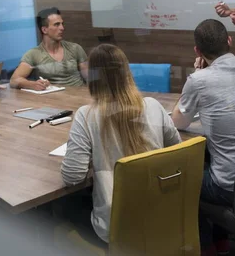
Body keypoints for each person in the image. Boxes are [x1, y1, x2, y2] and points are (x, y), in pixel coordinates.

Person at [170, 19, 235, 256]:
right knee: (209, 159)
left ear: (197, 51)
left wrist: (197, 73)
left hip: (230, 186)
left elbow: (178, 122)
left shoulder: (199, 80)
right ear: (229, 40)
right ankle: (221, 241)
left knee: (181, 182)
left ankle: (207, 247)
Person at [61, 44, 181, 243]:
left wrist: (95, 160)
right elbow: (176, 148)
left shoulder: (87, 115)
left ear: (92, 77)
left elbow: (72, 177)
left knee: (61, 208)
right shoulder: (153, 106)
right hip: (161, 214)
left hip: (118, 227)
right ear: (127, 72)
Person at [10, 8, 88, 90]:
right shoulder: (33, 54)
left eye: (62, 24)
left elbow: (90, 78)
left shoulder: (75, 48)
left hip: (80, 96)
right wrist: (32, 84)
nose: (62, 28)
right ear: (44, 30)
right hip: (53, 99)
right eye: (57, 24)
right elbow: (14, 80)